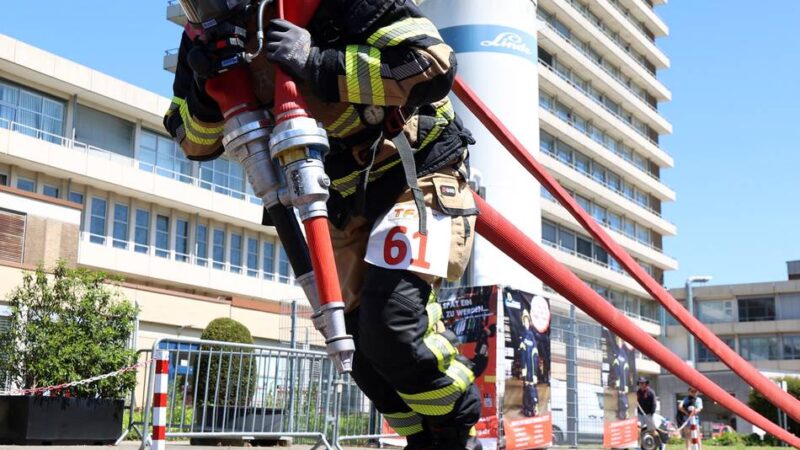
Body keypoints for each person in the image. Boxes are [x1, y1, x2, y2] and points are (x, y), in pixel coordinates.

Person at [165, 1, 480, 449]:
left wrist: (317, 62)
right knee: (355, 344)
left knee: (393, 321)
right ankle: (420, 438)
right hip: (340, 197)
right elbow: (193, 142)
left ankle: (456, 430)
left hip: (413, 171)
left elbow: (430, 65)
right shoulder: (202, 31)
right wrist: (203, 87)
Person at [518, 309, 539, 417]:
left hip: (532, 366)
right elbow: (522, 354)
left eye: (527, 321)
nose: (526, 322)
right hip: (526, 366)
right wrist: (523, 369)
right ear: (522, 322)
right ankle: (527, 407)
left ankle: (534, 405)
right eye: (524, 320)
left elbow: (535, 353)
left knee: (532, 387)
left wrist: (535, 372)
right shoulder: (522, 335)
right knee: (525, 387)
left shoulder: (532, 335)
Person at [637, 377, 662, 450]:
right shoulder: (637, 393)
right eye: (640, 383)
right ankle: (638, 446)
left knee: (652, 431)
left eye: (643, 383)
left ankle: (659, 444)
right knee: (637, 429)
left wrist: (651, 414)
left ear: (646, 384)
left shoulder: (651, 392)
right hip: (640, 414)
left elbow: (654, 404)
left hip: (649, 414)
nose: (641, 385)